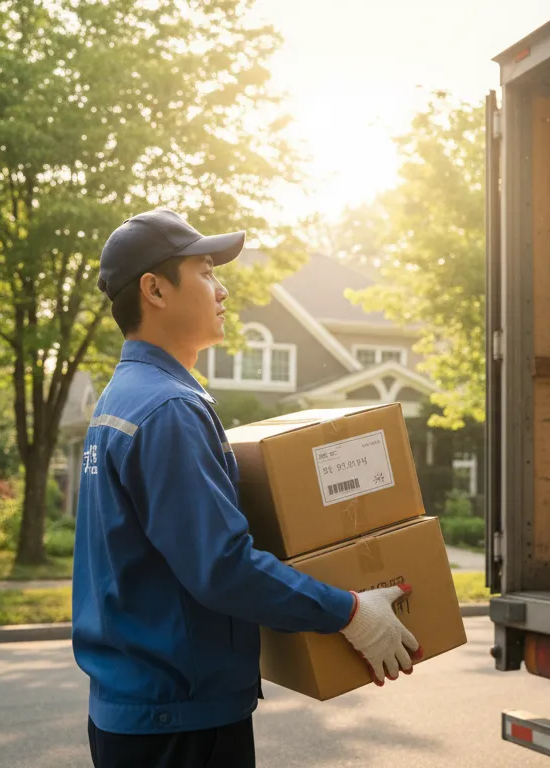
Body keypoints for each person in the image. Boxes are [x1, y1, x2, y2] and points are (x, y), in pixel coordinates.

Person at [72, 208, 421, 768]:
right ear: (154, 290)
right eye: (206, 272)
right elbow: (221, 568)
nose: (223, 289)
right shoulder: (168, 408)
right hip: (180, 725)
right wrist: (350, 611)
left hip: (139, 711)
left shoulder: (126, 397)